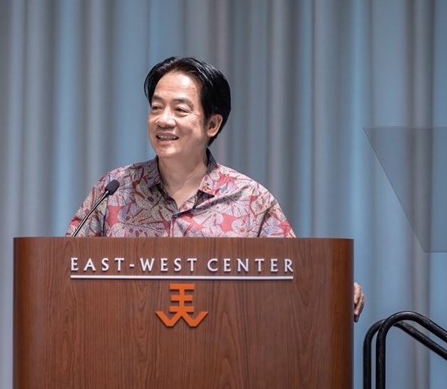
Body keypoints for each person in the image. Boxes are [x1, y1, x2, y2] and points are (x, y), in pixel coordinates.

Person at [67, 56, 365, 321]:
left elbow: (295, 277)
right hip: (122, 361)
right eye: (156, 108)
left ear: (213, 124)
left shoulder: (250, 201)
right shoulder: (115, 191)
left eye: (180, 110)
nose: (163, 120)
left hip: (225, 365)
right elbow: (65, 269)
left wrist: (332, 289)